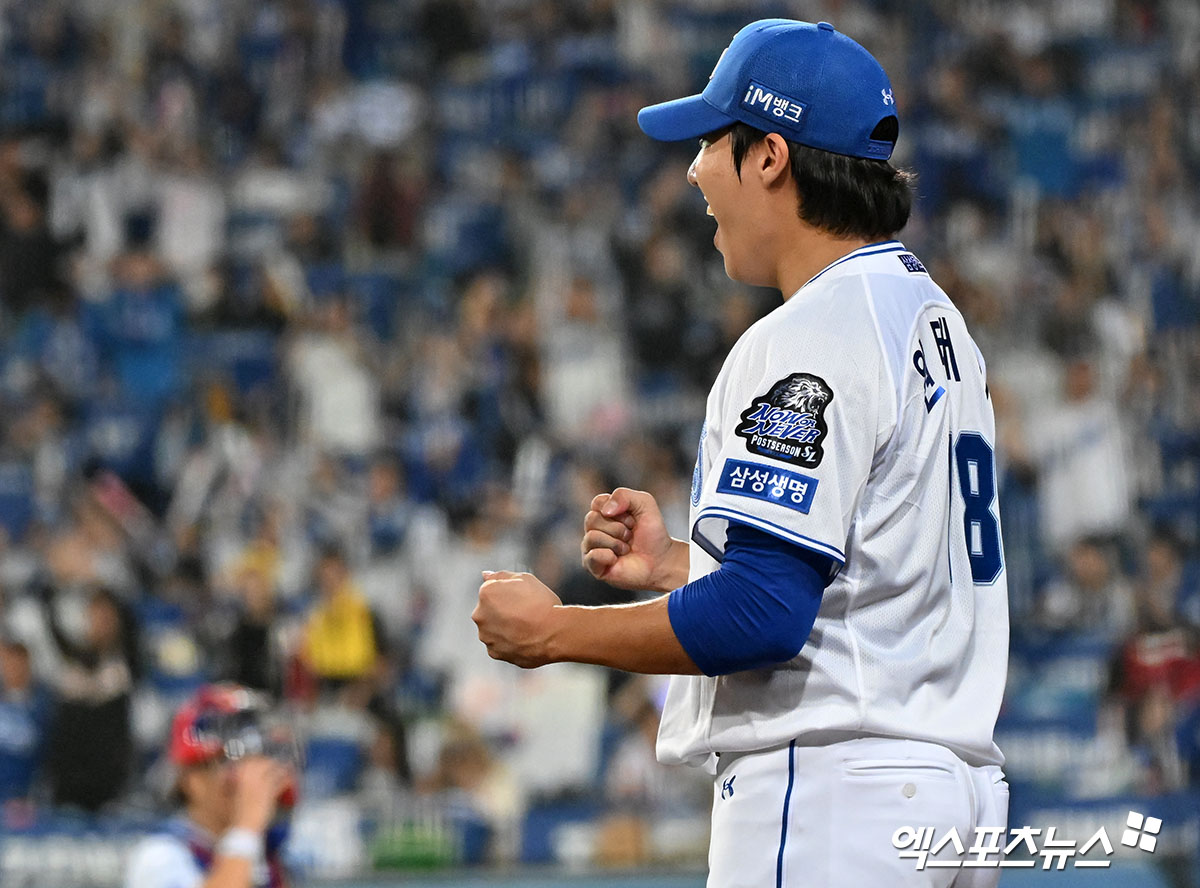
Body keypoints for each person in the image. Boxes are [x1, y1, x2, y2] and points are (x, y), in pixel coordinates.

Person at [473, 19, 1010, 886]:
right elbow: (867, 580)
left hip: (837, 797)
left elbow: (764, 614)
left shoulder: (812, 331)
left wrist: (555, 632)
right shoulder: (933, 320)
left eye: (710, 143)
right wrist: (681, 567)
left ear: (769, 155)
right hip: (945, 795)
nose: (693, 172)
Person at [124, 684, 296, 888]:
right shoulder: (160, 856)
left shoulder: (265, 851)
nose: (251, 779)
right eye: (230, 762)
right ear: (193, 780)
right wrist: (246, 828)